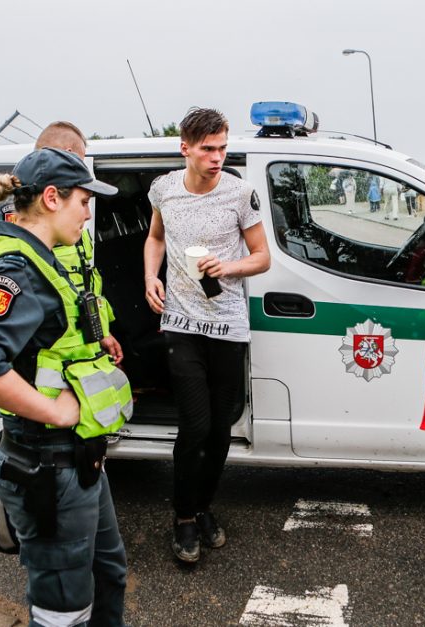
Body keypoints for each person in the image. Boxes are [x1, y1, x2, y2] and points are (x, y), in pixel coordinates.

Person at [0, 148, 130, 627]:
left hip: (80, 459)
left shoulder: (43, 256)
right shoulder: (17, 270)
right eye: (83, 201)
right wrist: (54, 412)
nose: (88, 212)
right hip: (49, 465)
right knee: (64, 612)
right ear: (51, 198)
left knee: (108, 573)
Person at [143, 107, 270, 564]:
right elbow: (155, 238)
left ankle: (202, 506)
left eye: (222, 148)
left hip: (228, 324)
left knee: (220, 428)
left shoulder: (240, 194)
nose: (217, 157)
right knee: (194, 425)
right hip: (181, 323)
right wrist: (149, 277)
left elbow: (262, 256)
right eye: (207, 149)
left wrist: (229, 267)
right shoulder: (164, 190)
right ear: (186, 149)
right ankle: (182, 517)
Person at [0, 121, 123, 365]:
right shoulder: (18, 224)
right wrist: (47, 406)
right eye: (79, 161)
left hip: (74, 339)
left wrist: (99, 331)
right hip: (48, 353)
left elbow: (81, 282)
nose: (86, 214)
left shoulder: (66, 224)